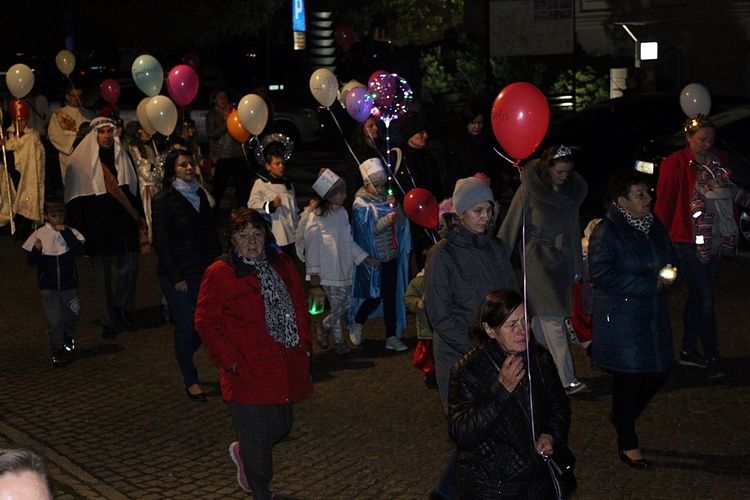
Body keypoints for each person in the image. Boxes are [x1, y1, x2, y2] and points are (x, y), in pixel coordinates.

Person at [195, 207, 312, 498]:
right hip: (246, 371)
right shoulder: (220, 273)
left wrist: (305, 345)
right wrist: (230, 360)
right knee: (258, 443)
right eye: (242, 235)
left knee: (282, 427)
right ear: (231, 240)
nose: (251, 241)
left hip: (282, 364)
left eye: (256, 233)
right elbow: (205, 322)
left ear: (266, 235)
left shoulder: (282, 264)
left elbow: (299, 305)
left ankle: (244, 450)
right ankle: (262, 490)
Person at [424, 176, 518, 500]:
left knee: (491, 431)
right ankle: (449, 492)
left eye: (489, 210)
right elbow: (440, 316)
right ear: (460, 212)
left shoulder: (497, 248)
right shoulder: (442, 255)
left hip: (497, 354)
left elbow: (511, 297)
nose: (485, 217)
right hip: (458, 360)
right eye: (478, 210)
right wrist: (478, 351)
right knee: (472, 432)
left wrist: (514, 335)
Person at [589, 170, 677, 469]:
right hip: (622, 317)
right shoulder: (608, 230)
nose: (648, 198)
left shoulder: (653, 225)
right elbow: (600, 274)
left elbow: (669, 256)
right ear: (622, 201)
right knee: (628, 379)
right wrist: (647, 285)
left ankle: (621, 417)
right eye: (640, 194)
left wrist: (670, 273)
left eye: (647, 192)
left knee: (659, 371)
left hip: (651, 316)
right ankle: (628, 441)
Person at [448, 289, 572, 498]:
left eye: (525, 321)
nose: (522, 330)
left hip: (538, 483)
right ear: (489, 330)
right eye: (511, 325)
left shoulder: (539, 359)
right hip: (494, 487)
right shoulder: (468, 371)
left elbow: (559, 405)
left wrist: (551, 434)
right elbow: (463, 433)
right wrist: (499, 392)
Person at [498, 145, 589, 395]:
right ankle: (566, 379)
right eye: (560, 171)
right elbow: (511, 224)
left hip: (561, 263)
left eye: (568, 172)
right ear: (548, 168)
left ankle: (539, 373)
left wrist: (576, 266)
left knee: (540, 325)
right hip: (537, 261)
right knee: (554, 321)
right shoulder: (529, 189)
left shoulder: (570, 193)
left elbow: (573, 230)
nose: (564, 177)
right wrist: (497, 258)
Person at [654, 114, 737, 379]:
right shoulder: (674, 163)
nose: (707, 143)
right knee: (705, 297)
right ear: (689, 138)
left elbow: (729, 194)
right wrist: (659, 237)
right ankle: (712, 354)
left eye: (711, 138)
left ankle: (688, 350)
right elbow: (665, 202)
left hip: (714, 236)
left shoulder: (719, 160)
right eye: (702, 139)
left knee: (700, 296)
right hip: (686, 239)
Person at [64, 116, 146, 339]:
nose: (107, 136)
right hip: (96, 226)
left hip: (123, 223)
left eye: (110, 131)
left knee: (130, 266)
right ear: (94, 135)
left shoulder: (124, 157)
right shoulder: (80, 161)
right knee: (101, 277)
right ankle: (108, 320)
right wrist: (77, 232)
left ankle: (122, 306)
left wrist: (140, 217)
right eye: (102, 132)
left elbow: (133, 189)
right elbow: (74, 197)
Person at [151, 149, 222, 402]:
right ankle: (190, 379)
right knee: (186, 325)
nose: (189, 168)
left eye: (191, 164)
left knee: (204, 325)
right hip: (179, 275)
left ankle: (183, 354)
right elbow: (161, 241)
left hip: (203, 270)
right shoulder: (163, 200)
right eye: (183, 166)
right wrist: (175, 276)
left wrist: (220, 263)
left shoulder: (201, 195)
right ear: (173, 171)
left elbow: (210, 233)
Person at [304, 168, 377, 355]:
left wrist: (364, 257)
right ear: (330, 196)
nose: (345, 196)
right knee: (338, 305)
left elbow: (348, 241)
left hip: (343, 269)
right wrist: (314, 271)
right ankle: (340, 342)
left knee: (347, 304)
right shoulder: (317, 217)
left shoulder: (343, 214)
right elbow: (312, 245)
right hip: (327, 271)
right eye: (341, 193)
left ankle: (323, 325)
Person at [350, 158, 411, 352]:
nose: (379, 189)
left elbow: (401, 224)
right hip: (373, 260)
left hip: (390, 256)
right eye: (375, 186)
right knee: (374, 296)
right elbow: (366, 232)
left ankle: (391, 336)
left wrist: (398, 209)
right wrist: (387, 220)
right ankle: (358, 322)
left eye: (381, 185)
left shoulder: (388, 199)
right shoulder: (360, 205)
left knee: (390, 297)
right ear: (366, 185)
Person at [21, 198, 85, 367]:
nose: (57, 219)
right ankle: (57, 347)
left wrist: (66, 233)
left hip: (68, 284)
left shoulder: (71, 231)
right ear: (46, 216)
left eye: (61, 215)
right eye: (53, 215)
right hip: (48, 286)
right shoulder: (39, 234)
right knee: (54, 319)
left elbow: (79, 250)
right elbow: (31, 260)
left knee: (74, 313)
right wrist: (37, 250)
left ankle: (67, 334)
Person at [394, 113, 446, 272]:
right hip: (411, 220)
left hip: (431, 217)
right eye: (420, 133)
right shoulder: (401, 159)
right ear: (410, 135)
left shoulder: (429, 158)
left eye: (425, 132)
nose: (425, 136)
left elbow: (437, 186)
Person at [247, 134, 299, 257]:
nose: (281, 166)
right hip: (275, 236)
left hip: (291, 236)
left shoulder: (288, 184)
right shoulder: (261, 184)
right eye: (277, 164)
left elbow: (294, 210)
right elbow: (252, 206)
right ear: (268, 166)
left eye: (282, 163)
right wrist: (270, 206)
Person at [445, 104, 505, 199]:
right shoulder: (456, 143)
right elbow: (453, 171)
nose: (476, 126)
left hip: (487, 191)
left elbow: (495, 168)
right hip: (465, 192)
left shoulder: (488, 141)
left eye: (480, 123)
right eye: (473, 123)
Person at [4, 99, 46, 230]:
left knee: (28, 192)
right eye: (18, 120)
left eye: (24, 120)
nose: (21, 123)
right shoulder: (8, 133)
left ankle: (29, 222)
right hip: (13, 171)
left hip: (29, 170)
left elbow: (37, 152)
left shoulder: (32, 135)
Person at [207, 89, 249, 212]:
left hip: (237, 154)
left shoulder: (234, 112)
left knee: (242, 187)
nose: (223, 100)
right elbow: (212, 134)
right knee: (219, 188)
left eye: (225, 97)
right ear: (214, 100)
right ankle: (213, 215)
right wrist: (226, 122)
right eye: (220, 97)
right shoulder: (212, 115)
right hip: (222, 156)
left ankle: (243, 213)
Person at [47, 82, 95, 184]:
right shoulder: (59, 115)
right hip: (69, 155)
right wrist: (74, 138)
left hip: (87, 154)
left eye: (79, 96)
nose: (77, 99)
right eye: (74, 96)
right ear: (67, 97)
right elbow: (54, 135)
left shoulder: (89, 114)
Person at [123, 121, 159, 242]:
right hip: (145, 184)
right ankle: (148, 236)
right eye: (145, 130)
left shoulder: (150, 147)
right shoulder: (135, 148)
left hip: (154, 183)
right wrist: (154, 169)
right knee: (147, 211)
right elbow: (141, 167)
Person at [404, 267, 436, 388]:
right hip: (426, 328)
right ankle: (430, 375)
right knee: (427, 355)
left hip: (440, 328)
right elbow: (408, 298)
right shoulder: (418, 282)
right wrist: (417, 303)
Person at [345, 115, 385, 209]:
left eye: (375, 124)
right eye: (371, 126)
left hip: (382, 196)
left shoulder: (381, 147)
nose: (376, 128)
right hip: (365, 200)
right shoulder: (355, 152)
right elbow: (353, 180)